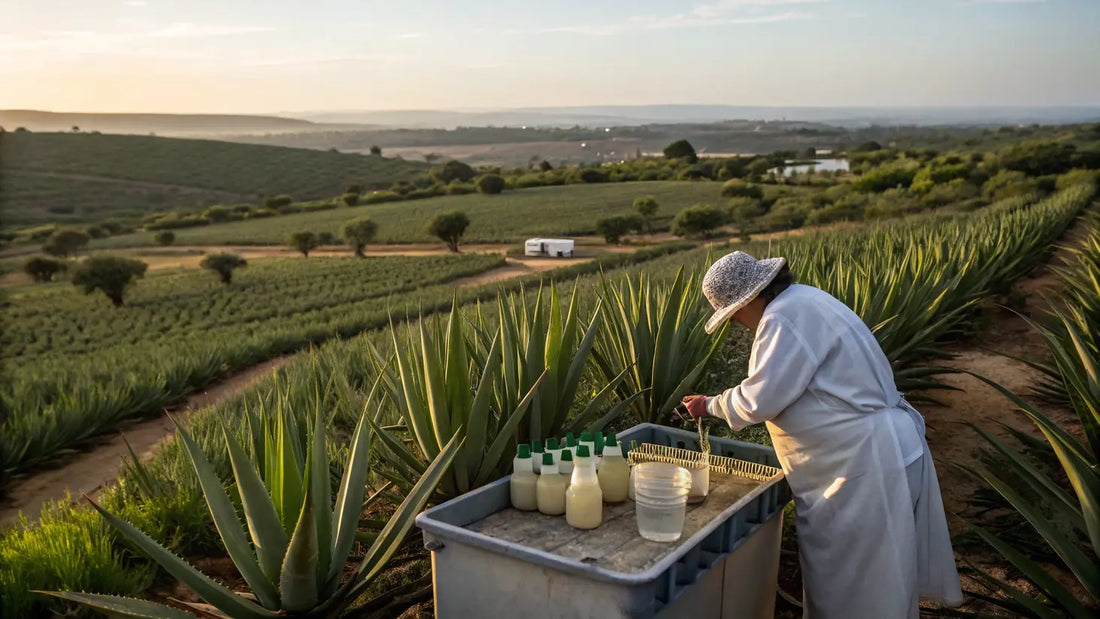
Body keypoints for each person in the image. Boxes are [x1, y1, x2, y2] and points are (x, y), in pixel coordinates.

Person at [680, 251, 963, 619]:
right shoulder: (807, 300)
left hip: (864, 464)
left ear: (748, 300)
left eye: (733, 314)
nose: (736, 323)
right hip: (870, 456)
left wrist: (710, 405)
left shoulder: (783, 318)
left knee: (862, 585)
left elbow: (760, 398)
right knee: (876, 578)